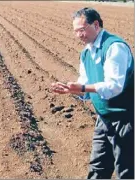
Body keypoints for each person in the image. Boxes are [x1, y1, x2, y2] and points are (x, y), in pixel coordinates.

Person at [51, 7, 134, 179]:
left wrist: (82, 88)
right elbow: (85, 83)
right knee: (98, 167)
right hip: (103, 118)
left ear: (96, 25)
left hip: (125, 119)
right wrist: (70, 89)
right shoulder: (86, 53)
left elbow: (114, 86)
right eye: (76, 31)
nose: (79, 35)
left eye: (82, 30)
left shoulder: (114, 47)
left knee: (126, 169)